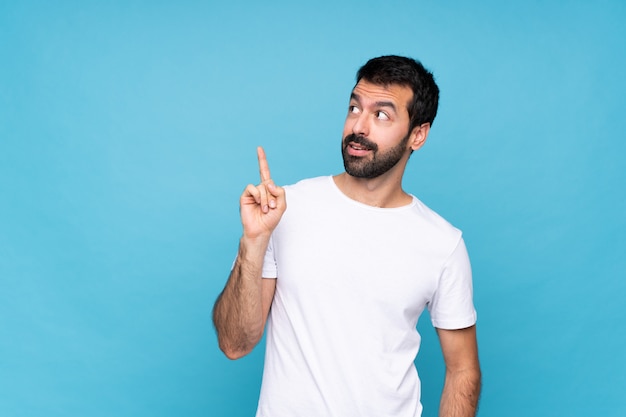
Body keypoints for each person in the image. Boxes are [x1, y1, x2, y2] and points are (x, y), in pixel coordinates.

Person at [213, 55, 481, 417]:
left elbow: (463, 369)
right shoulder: (285, 210)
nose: (359, 126)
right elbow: (234, 344)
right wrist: (253, 242)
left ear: (418, 134)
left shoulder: (443, 244)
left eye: (381, 114)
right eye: (355, 108)